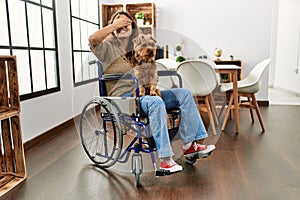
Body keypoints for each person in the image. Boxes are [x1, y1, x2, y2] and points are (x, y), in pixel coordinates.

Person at [88, 11, 215, 173]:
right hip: (124, 98)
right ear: (112, 28)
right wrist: (115, 25)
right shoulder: (107, 49)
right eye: (118, 24)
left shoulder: (137, 47)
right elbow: (93, 39)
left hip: (145, 94)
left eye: (126, 23)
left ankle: (189, 145)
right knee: (156, 102)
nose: (122, 26)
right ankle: (165, 160)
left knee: (184, 93)